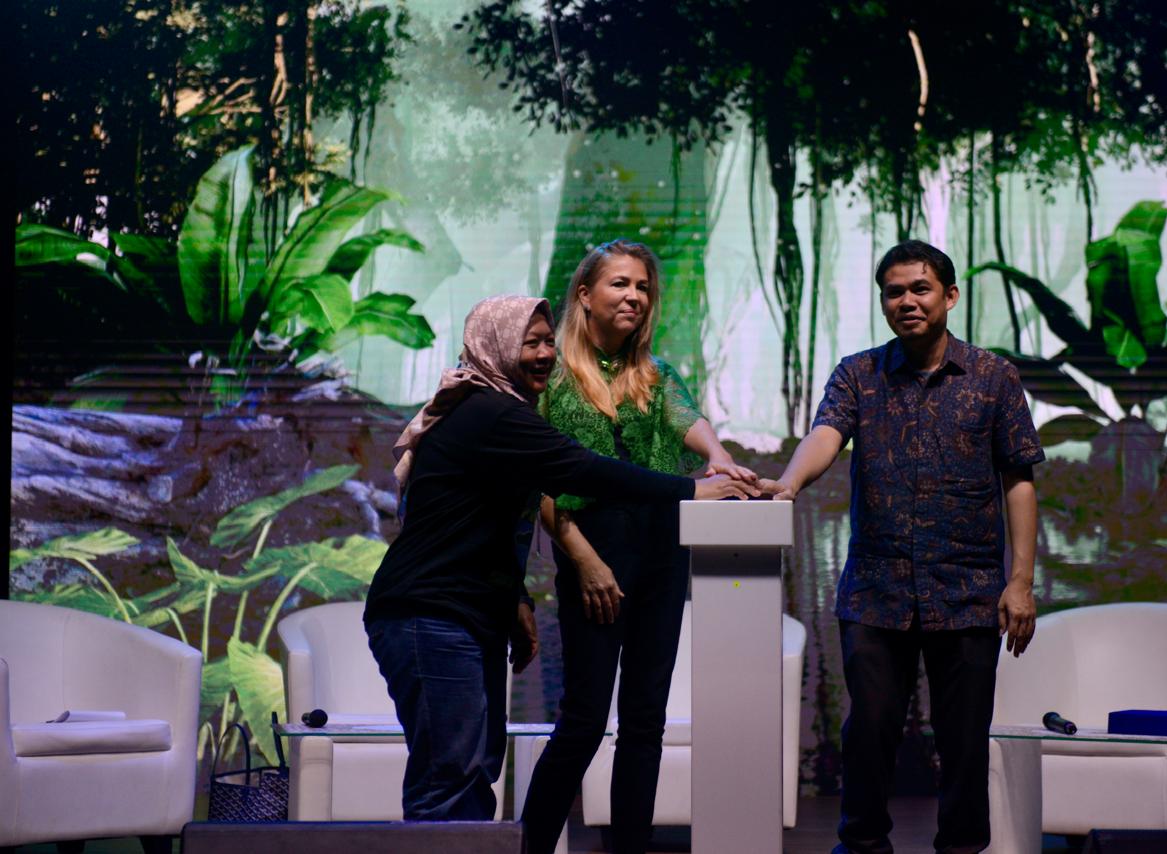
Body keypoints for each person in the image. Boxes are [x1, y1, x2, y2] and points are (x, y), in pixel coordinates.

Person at [363, 295, 754, 823]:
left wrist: (516, 599)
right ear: (496, 347)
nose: (546, 353)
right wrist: (690, 490)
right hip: (430, 614)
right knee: (449, 780)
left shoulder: (496, 408)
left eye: (549, 341)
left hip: (466, 612)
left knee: (474, 770)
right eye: (530, 343)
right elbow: (582, 469)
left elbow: (486, 525)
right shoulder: (491, 412)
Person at [763, 241, 1043, 854]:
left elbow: (1019, 479)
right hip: (876, 588)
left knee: (964, 741)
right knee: (868, 731)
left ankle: (962, 849)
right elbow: (826, 434)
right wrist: (788, 484)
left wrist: (1020, 581)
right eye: (894, 292)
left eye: (920, 288)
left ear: (949, 296)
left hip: (968, 590)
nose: (907, 301)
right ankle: (862, 846)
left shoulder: (993, 377)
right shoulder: (858, 374)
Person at [521, 240, 755, 854]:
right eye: (620, 284)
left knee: (646, 719)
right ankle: (530, 847)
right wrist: (582, 558)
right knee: (583, 720)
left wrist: (719, 457)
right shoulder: (552, 376)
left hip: (661, 551)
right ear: (584, 294)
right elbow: (537, 484)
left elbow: (684, 418)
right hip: (593, 551)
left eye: (643, 287)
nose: (634, 296)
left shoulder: (653, 371)